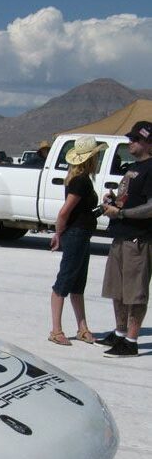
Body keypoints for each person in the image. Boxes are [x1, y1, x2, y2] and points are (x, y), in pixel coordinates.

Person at [98, 120, 152, 357]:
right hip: (120, 235)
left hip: (138, 240)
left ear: (148, 142)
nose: (130, 142)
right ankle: (119, 334)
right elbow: (127, 198)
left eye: (135, 139)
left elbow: (151, 207)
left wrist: (121, 213)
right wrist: (112, 202)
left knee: (135, 292)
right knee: (117, 289)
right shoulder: (133, 167)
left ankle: (131, 340)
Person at [47, 135, 107, 346]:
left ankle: (82, 328)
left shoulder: (80, 180)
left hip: (82, 234)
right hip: (75, 235)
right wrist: (58, 234)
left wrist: (103, 207)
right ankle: (56, 330)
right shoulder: (80, 182)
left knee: (78, 284)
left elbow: (83, 213)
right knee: (64, 282)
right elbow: (65, 212)